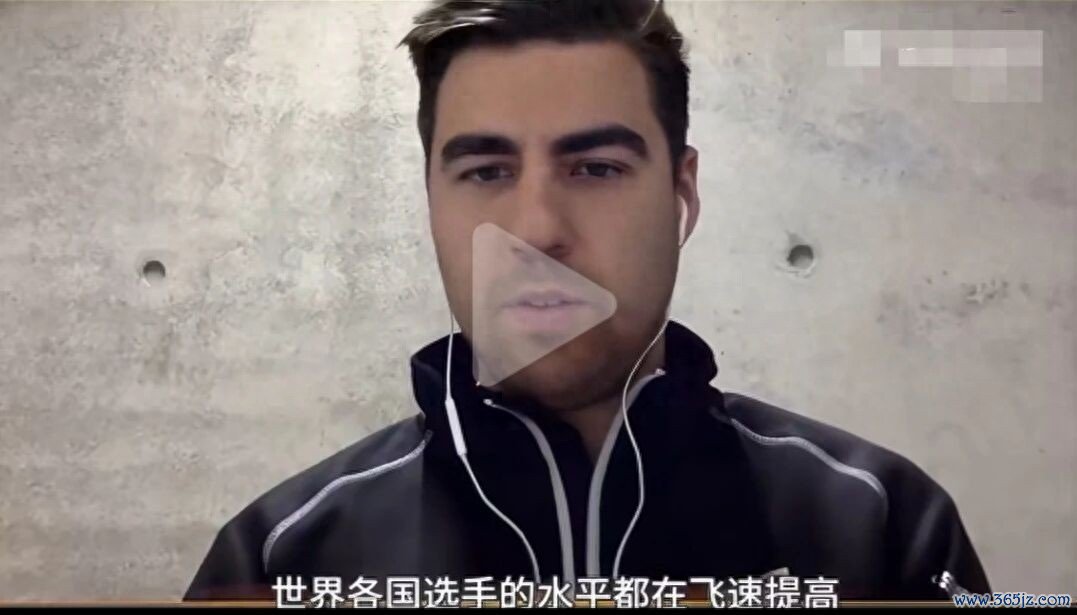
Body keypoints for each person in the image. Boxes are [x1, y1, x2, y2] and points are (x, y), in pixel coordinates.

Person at [184, 0, 990, 602]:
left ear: (681, 194)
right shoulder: (281, 557)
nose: (536, 229)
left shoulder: (879, 523)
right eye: (485, 172)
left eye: (596, 168)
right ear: (430, 200)